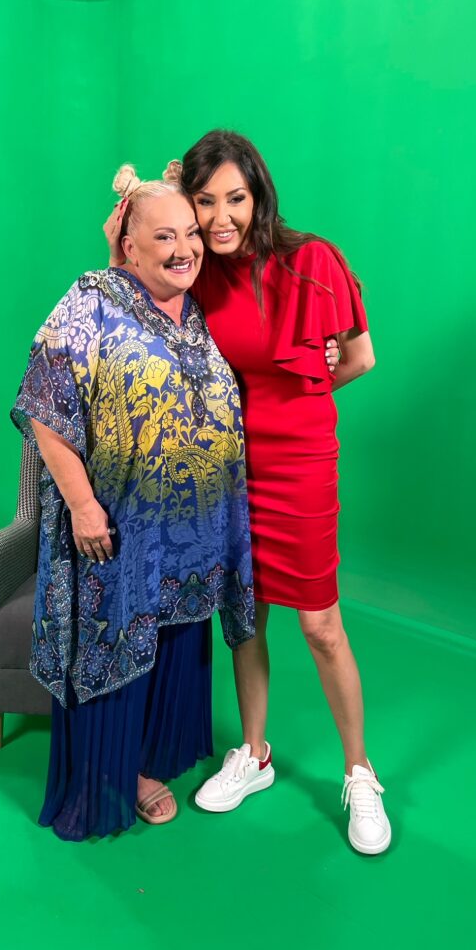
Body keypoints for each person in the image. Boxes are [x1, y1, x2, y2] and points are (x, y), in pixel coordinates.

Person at [104, 131, 391, 854]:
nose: (222, 216)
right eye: (206, 202)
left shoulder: (313, 260)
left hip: (301, 464)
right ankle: (254, 755)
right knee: (245, 614)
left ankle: (360, 772)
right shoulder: (200, 272)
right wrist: (123, 232)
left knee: (320, 625)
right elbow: (135, 303)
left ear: (259, 194)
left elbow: (360, 358)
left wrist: (310, 385)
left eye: (235, 198)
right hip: (227, 466)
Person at [11, 164, 255, 841]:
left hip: (193, 537)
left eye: (191, 234)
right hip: (118, 532)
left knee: (176, 641)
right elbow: (45, 408)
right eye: (165, 236)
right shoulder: (91, 299)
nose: (185, 248)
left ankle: (153, 758)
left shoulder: (198, 309)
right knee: (115, 642)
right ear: (128, 245)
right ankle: (113, 778)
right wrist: (84, 506)